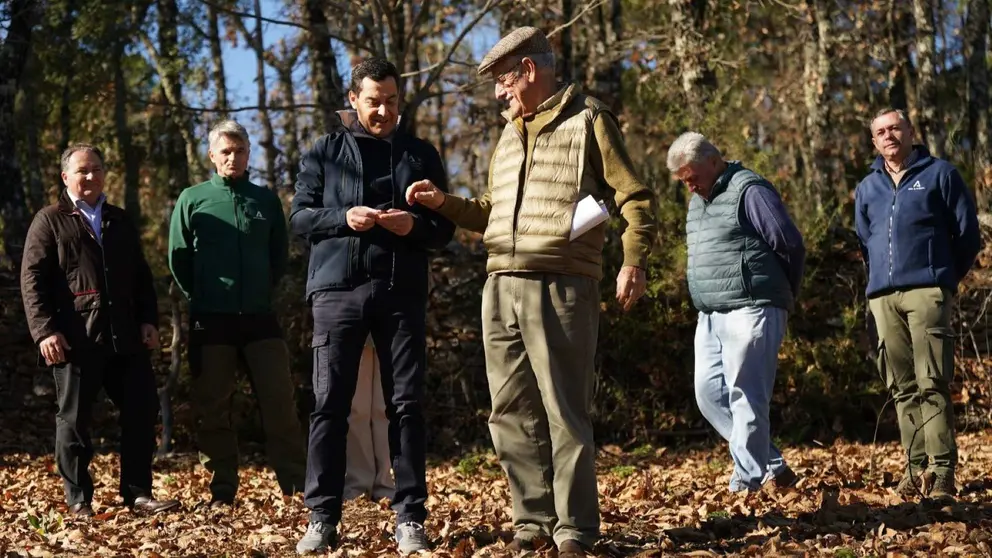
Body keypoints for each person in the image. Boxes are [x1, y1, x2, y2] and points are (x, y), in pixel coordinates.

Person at [406, 27, 657, 557]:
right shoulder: (507, 133)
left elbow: (632, 196)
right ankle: (533, 521)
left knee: (564, 410)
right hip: (499, 286)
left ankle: (575, 531)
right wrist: (442, 202)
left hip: (563, 285)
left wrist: (633, 262)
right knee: (509, 412)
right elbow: (490, 212)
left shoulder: (590, 118)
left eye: (503, 80)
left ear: (529, 70)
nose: (498, 93)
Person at [291, 57, 455, 556]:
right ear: (353, 99)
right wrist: (345, 217)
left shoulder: (421, 153)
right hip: (336, 292)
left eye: (391, 101)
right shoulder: (324, 151)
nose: (383, 110)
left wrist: (416, 227)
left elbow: (444, 227)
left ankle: (410, 517)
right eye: (373, 100)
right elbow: (299, 218)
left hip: (400, 292)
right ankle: (322, 517)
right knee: (329, 408)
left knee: (406, 406)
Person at [20, 143, 180, 516]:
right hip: (75, 338)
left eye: (95, 169)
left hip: (124, 336)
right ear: (65, 177)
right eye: (81, 171)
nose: (89, 176)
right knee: (74, 420)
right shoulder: (49, 220)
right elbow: (32, 279)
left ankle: (138, 494)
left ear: (104, 173)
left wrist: (149, 321)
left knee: (142, 410)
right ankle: (79, 501)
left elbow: (141, 278)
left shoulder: (119, 220)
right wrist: (45, 331)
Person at [168, 119, 307, 508]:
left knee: (280, 402)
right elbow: (178, 258)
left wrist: (261, 291)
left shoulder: (264, 201)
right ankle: (222, 490)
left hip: (260, 317)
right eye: (225, 151)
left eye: (239, 151)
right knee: (213, 408)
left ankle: (295, 486)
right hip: (211, 318)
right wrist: (205, 295)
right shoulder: (192, 199)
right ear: (212, 155)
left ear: (249, 155)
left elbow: (278, 256)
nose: (233, 157)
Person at [665, 132, 805, 494]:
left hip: (752, 306)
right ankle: (772, 463)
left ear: (714, 161)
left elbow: (788, 242)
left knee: (746, 396)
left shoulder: (750, 190)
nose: (690, 186)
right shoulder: (698, 200)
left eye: (693, 176)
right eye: (683, 180)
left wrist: (782, 295)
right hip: (710, 314)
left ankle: (746, 482)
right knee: (708, 393)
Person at [855, 108, 980, 500]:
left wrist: (941, 278)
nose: (888, 136)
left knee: (932, 380)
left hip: (928, 290)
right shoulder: (867, 187)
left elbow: (967, 235)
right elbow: (865, 241)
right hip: (882, 297)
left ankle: (942, 471)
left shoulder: (941, 175)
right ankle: (915, 468)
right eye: (880, 132)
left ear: (910, 131)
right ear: (874, 141)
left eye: (895, 128)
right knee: (902, 386)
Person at [343, 337, 394, 502]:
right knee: (357, 409)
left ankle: (386, 483)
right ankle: (358, 484)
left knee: (385, 409)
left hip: (391, 325)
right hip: (355, 325)